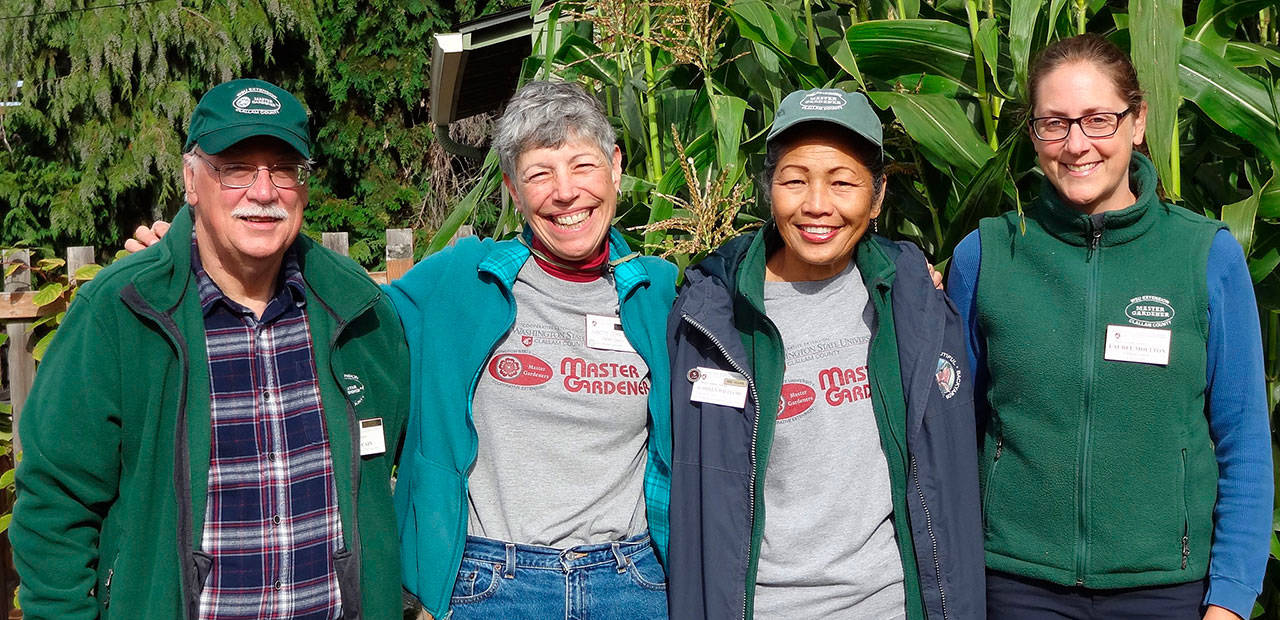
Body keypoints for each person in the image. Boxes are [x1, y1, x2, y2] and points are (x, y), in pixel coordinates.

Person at [12, 78, 409, 619]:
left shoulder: (358, 311)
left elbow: (399, 464)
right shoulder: (123, 313)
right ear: (190, 180)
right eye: (235, 169)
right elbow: (55, 503)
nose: (264, 192)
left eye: (283, 169)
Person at [946, 34, 1273, 620]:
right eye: (1054, 124)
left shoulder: (1205, 256)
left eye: (1099, 120)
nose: (1076, 145)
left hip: (1167, 590)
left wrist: (1229, 597)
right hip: (1015, 585)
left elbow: (1243, 441)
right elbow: (948, 433)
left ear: (1138, 121)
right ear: (1032, 133)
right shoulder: (987, 255)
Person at [666, 87, 985, 620]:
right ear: (769, 189)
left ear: (878, 197)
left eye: (843, 183)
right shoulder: (710, 316)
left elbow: (949, 480)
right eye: (795, 181)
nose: (817, 205)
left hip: (886, 605)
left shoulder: (915, 301)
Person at [386, 81, 675, 619]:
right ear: (513, 191)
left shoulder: (660, 293)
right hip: (491, 586)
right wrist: (198, 252)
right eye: (540, 173)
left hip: (632, 586)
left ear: (615, 167)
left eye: (582, 166)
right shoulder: (458, 281)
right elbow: (337, 314)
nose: (565, 193)